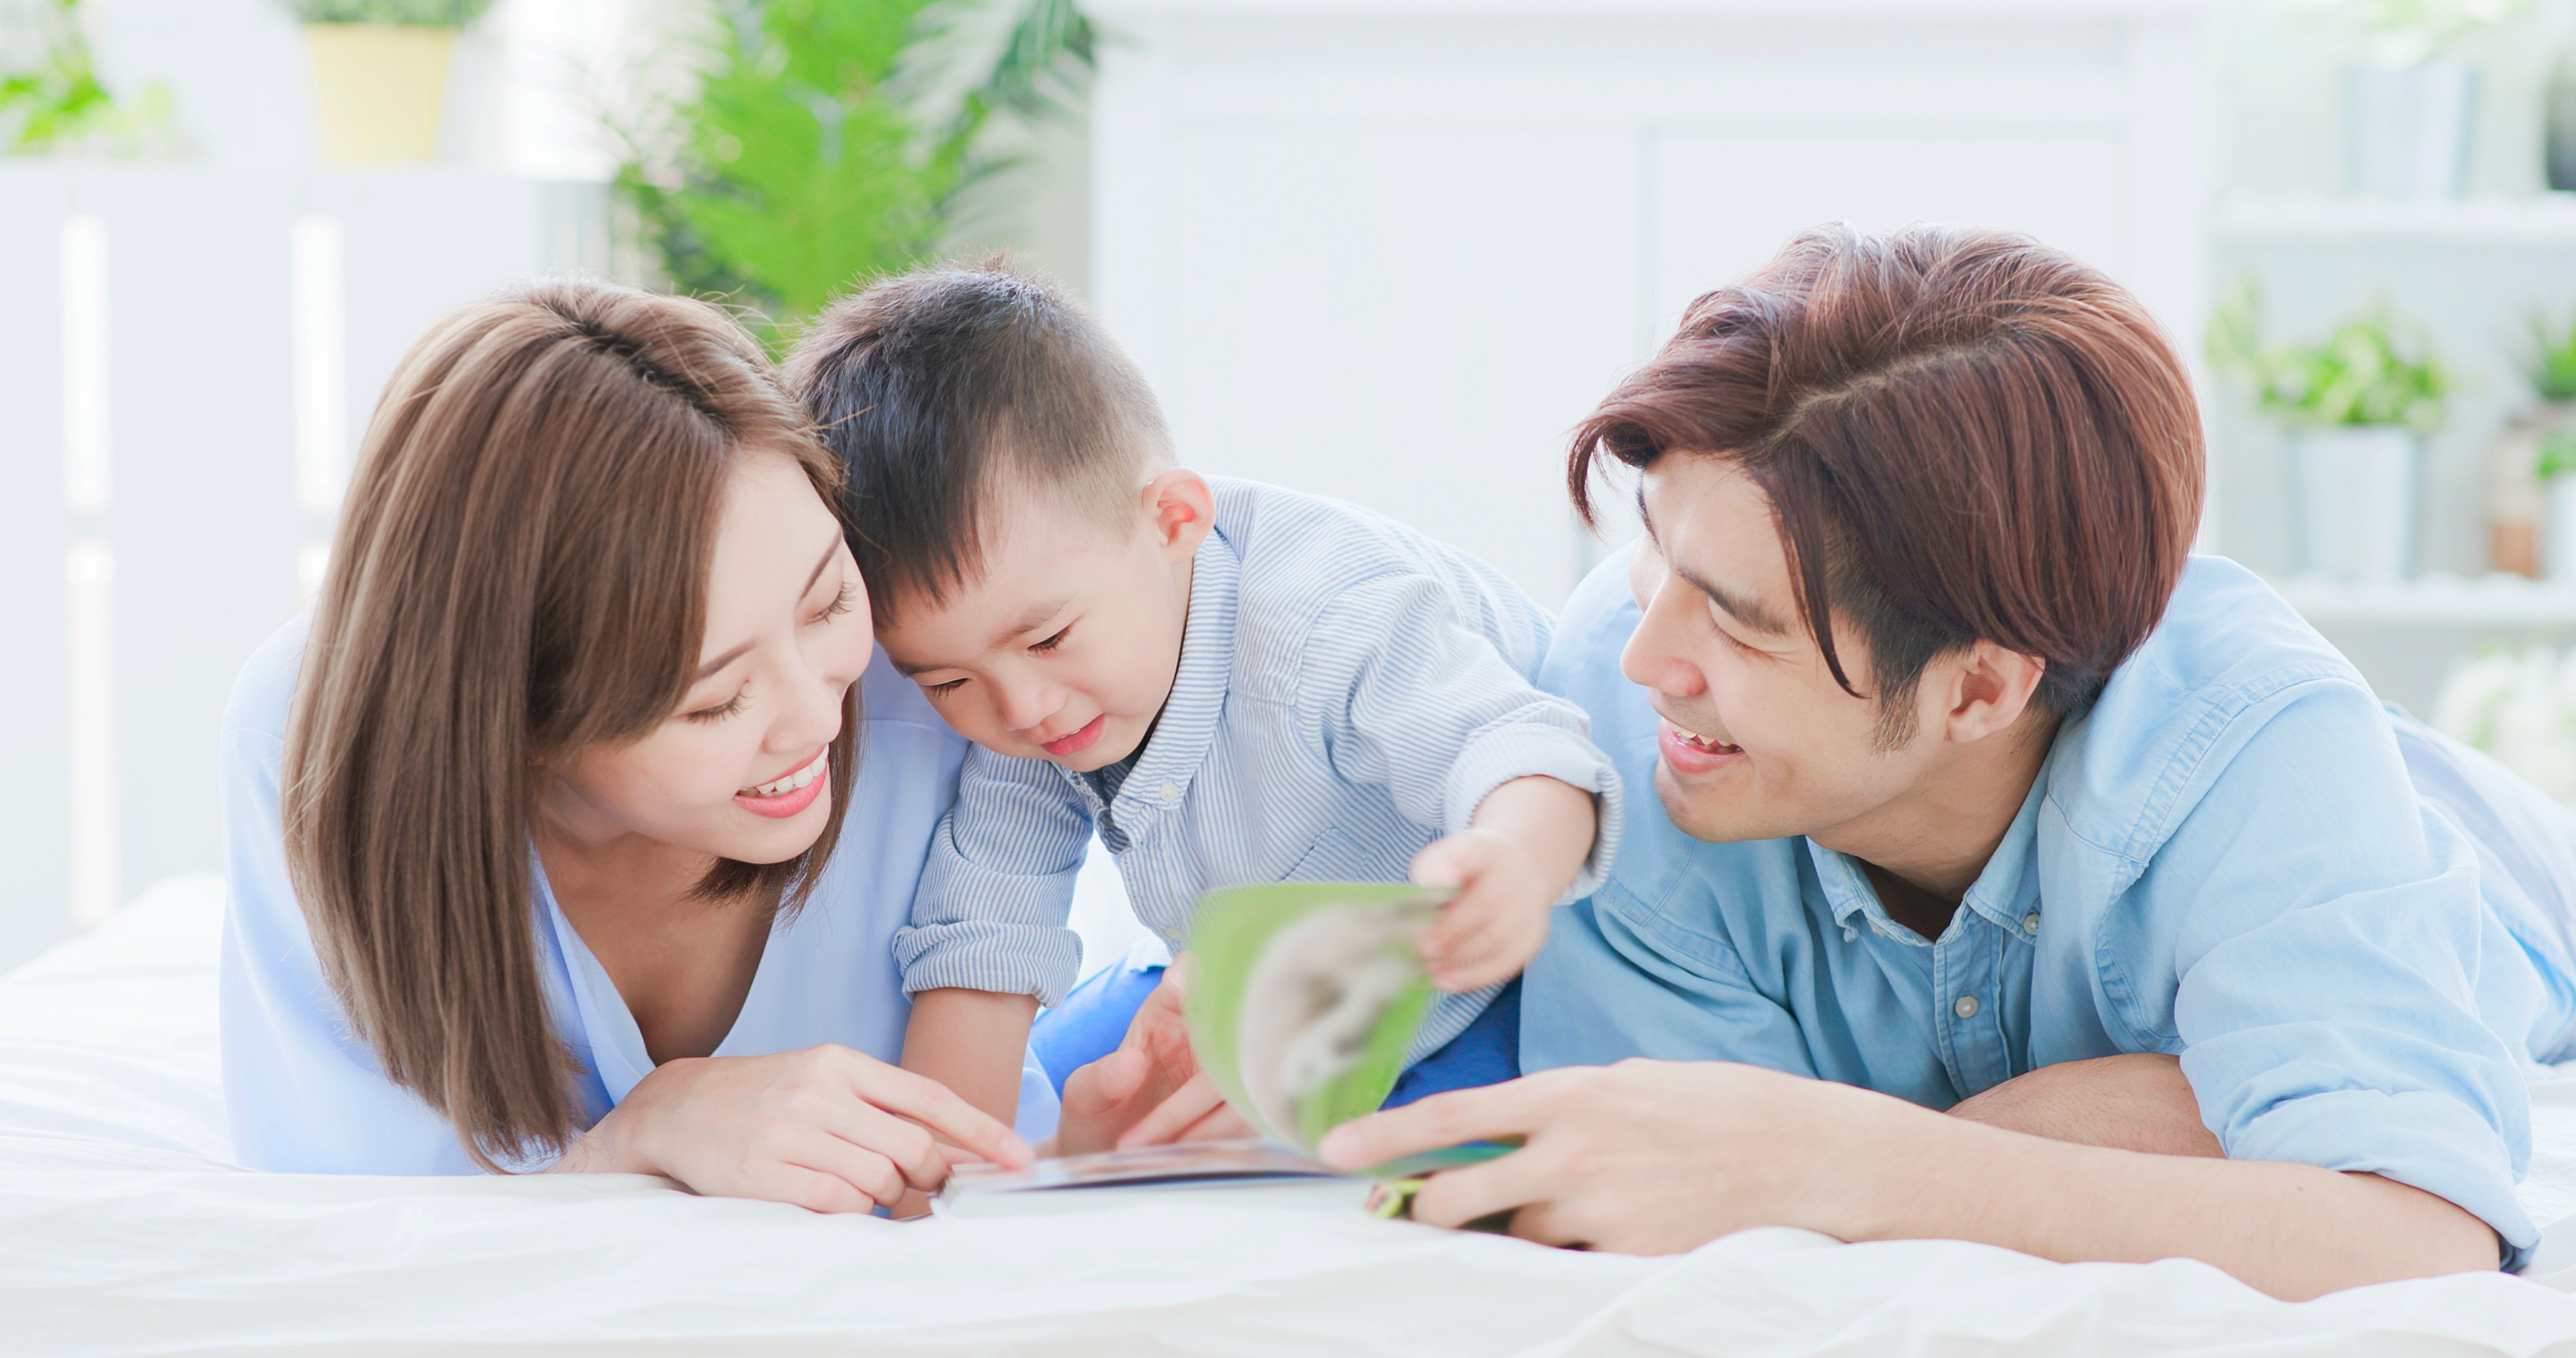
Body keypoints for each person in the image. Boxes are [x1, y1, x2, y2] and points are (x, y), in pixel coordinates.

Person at [1319, 223, 2576, 1301]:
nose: (1650, 657)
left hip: (2474, 868)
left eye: (1741, 621)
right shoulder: (1618, 702)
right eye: (1655, 554)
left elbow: (2421, 1237)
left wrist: (1850, 1158)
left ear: (1979, 685)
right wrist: (2088, 1125)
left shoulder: (2262, 752)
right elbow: (1685, 1185)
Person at [220, 280, 1034, 1209]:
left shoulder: (931, 672)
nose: (817, 718)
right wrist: (643, 1132)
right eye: (716, 700)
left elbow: (1176, 532)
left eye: (827, 601)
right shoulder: (313, 742)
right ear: (517, 723)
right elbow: (354, 1196)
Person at [782, 265, 1622, 1148]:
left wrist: (1512, 862)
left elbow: (1517, 745)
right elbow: (984, 939)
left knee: (1400, 1177)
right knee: (1068, 1103)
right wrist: (945, 1172)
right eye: (944, 681)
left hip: (1486, 987)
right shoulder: (1025, 704)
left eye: (1050, 639)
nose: (1019, 706)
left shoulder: (1326, 615)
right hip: (1255, 987)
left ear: (1172, 521)